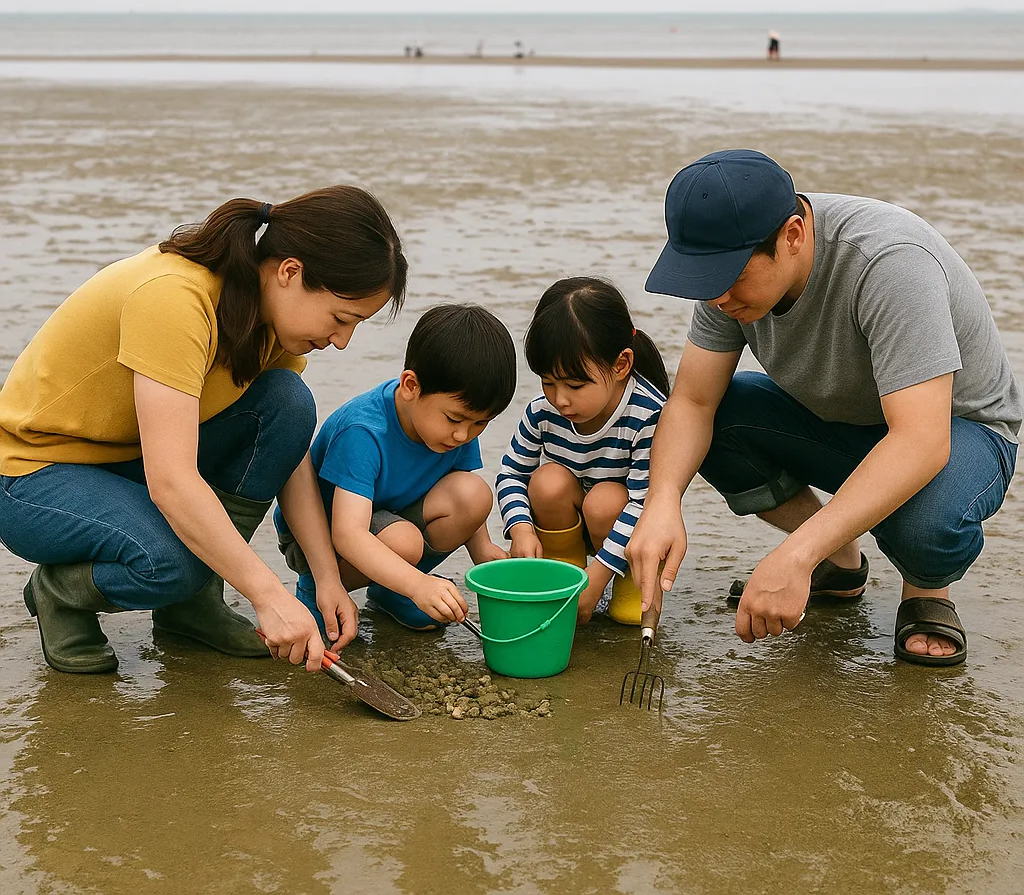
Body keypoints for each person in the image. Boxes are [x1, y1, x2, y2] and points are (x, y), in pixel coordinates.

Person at [630, 149, 1020, 666]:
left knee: (924, 526)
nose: (717, 297)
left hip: (957, 430)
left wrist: (792, 556)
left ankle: (925, 590)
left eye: (728, 276)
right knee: (722, 417)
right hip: (846, 422)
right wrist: (661, 501)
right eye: (703, 277)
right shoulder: (726, 278)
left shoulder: (889, 262)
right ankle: (839, 560)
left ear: (792, 234)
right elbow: (694, 400)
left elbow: (920, 440)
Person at [0, 186, 407, 674]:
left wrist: (326, 577)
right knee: (174, 562)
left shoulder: (268, 319)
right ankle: (60, 594)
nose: (342, 341)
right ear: (290, 272)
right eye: (342, 318)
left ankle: (190, 609)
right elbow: (171, 481)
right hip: (32, 475)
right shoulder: (175, 299)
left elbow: (287, 453)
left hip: (124, 459)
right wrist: (268, 595)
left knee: (287, 404)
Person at [278, 304, 515, 634]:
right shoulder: (364, 431)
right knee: (405, 542)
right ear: (411, 386)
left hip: (391, 517)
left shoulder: (457, 425)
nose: (463, 435)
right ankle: (318, 590)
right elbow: (348, 534)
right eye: (455, 419)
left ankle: (391, 591)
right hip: (322, 540)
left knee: (472, 495)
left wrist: (484, 551)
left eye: (480, 423)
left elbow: (458, 488)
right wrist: (420, 585)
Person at [496, 278, 669, 626]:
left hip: (629, 532)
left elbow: (645, 504)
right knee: (547, 482)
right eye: (547, 382)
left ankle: (626, 584)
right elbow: (511, 474)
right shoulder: (543, 412)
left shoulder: (648, 415)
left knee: (605, 501)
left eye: (575, 385)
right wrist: (521, 529)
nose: (560, 399)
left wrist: (598, 579)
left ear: (621, 365)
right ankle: (566, 573)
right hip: (572, 523)